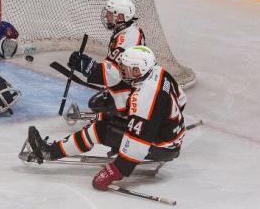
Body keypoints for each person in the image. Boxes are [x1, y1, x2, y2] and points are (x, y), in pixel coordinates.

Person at [26, 46, 187, 191]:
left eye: (128, 68)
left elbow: (138, 146)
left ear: (139, 69)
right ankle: (56, 149)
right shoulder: (159, 71)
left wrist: (116, 171)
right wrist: (166, 124)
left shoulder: (145, 98)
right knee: (107, 118)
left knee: (100, 129)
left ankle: (50, 152)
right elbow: (182, 99)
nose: (123, 71)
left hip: (161, 147)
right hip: (171, 138)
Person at [68, 0, 145, 114]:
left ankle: (126, 115)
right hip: (131, 81)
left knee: (100, 107)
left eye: (109, 14)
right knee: (96, 104)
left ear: (120, 17)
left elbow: (113, 74)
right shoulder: (128, 30)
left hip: (134, 90)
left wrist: (88, 66)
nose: (106, 16)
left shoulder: (128, 38)